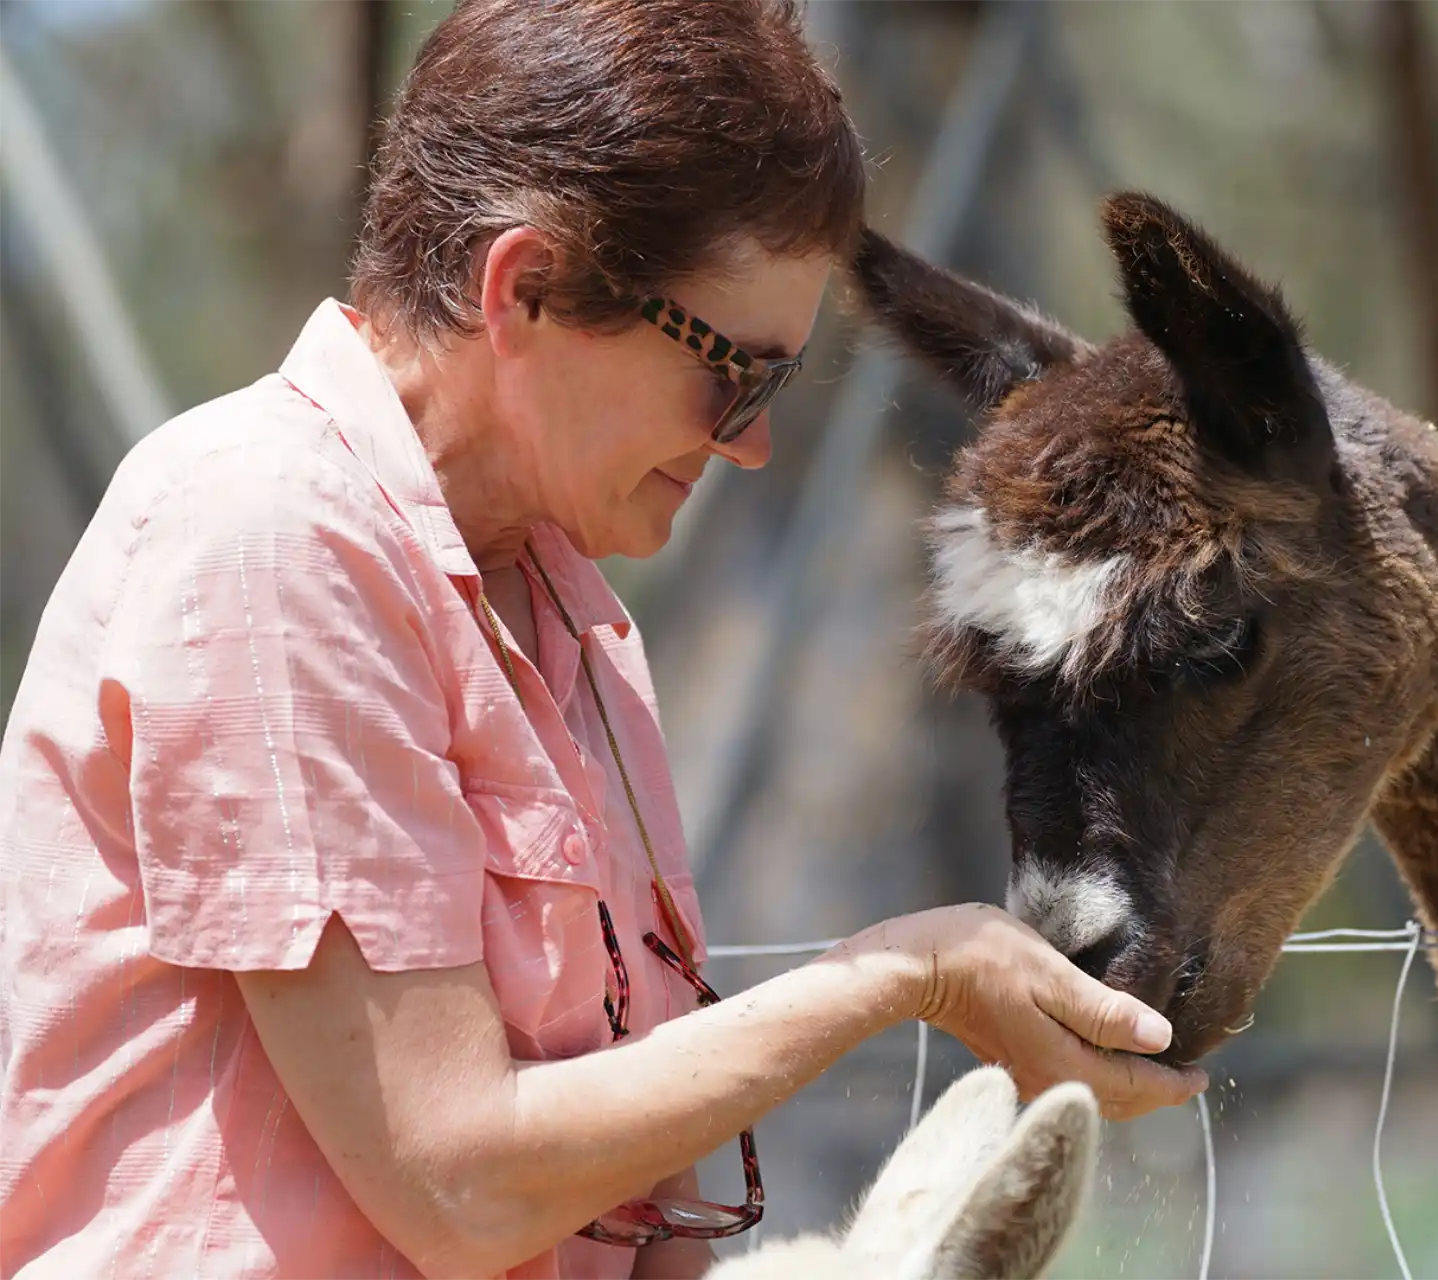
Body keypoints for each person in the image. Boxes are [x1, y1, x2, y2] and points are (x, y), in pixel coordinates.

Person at [0, 2, 1206, 1278]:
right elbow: (457, 1182)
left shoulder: (568, 607)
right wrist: (902, 974)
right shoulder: (271, 534)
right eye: (733, 371)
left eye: (778, 386)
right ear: (524, 287)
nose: (751, 442)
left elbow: (630, 1212)